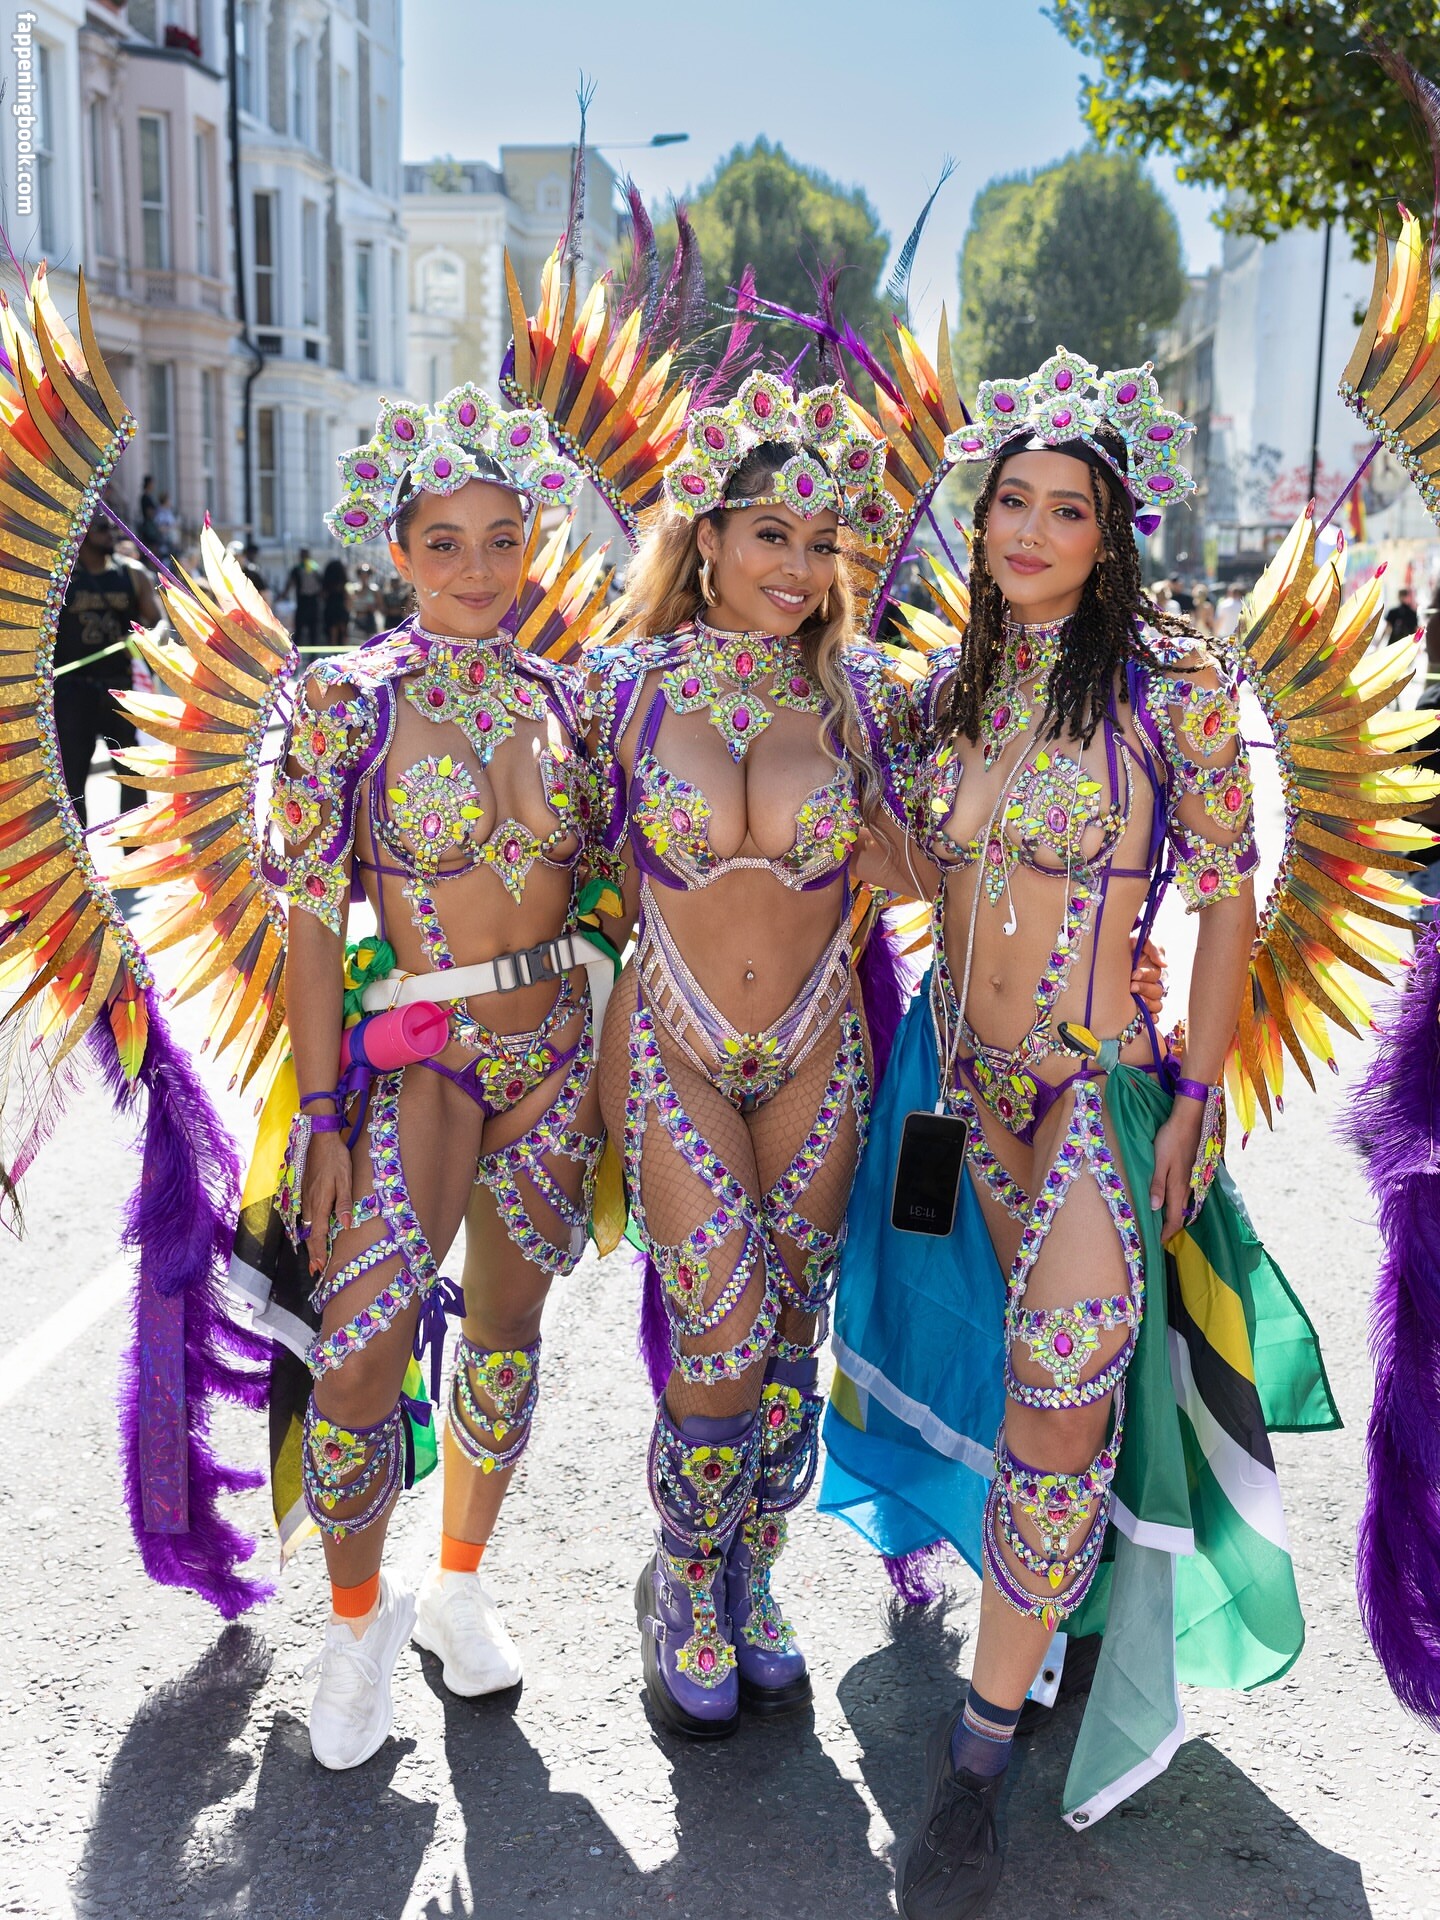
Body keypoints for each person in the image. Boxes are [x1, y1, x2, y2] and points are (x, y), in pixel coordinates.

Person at [820, 353, 1337, 1917]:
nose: (1031, 531)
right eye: (1011, 503)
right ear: (980, 522)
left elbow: (1230, 898)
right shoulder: (950, 692)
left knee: (1060, 1401)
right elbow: (918, 868)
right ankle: (1046, 1623)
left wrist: (1200, 1096)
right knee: (992, 1375)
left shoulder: (1175, 691)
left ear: (1112, 536)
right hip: (951, 1087)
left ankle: (978, 1759)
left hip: (1093, 1102)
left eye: (1067, 509)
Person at [588, 373, 947, 1738]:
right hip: (673, 1044)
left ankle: (752, 1573)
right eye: (770, 536)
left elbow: (957, 853)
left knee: (793, 1330)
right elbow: (538, 869)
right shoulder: (617, 692)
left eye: (821, 543)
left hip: (817, 1051)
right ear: (709, 538)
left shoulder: (867, 700)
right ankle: (682, 1579)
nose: (797, 567)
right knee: (725, 1320)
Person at [275, 388, 613, 1769]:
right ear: (398, 551)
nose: (477, 569)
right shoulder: (345, 704)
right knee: (362, 1352)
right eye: (443, 543)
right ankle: (356, 1626)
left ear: (533, 541)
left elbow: (634, 885)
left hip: (554, 1056)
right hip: (421, 1064)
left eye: (500, 539)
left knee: (509, 1331)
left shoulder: (569, 702)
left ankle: (457, 1586)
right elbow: (310, 920)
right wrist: (318, 1109)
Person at [55, 508, 163, 825]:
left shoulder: (132, 573)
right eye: (103, 528)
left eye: (114, 527)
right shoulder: (62, 580)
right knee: (72, 779)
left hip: (119, 687)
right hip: (73, 691)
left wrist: (146, 638)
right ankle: (77, 849)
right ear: (82, 532)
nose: (111, 534)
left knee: (132, 773)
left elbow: (158, 623)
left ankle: (135, 847)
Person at [286, 547, 323, 647]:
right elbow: (290, 583)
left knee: (312, 630)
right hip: (304, 602)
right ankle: (297, 651)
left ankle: (312, 652)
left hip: (311, 602)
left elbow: (321, 585)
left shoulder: (315, 569)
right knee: (301, 629)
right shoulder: (299, 569)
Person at [321, 556, 351, 648]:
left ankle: (333, 649)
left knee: (333, 632)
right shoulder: (343, 583)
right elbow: (347, 596)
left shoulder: (327, 584)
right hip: (341, 608)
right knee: (343, 631)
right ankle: (344, 648)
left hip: (330, 608)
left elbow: (323, 595)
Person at [351, 561, 381, 638]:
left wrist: (373, 608)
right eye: (362, 573)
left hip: (369, 621)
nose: (364, 575)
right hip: (356, 621)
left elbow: (380, 606)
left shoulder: (374, 590)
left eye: (367, 573)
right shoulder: (354, 589)